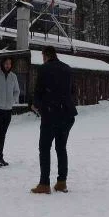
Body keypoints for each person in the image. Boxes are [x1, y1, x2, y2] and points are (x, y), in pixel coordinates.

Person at [31, 46, 77, 195]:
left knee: (44, 148)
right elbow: (73, 91)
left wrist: (35, 104)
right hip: (67, 114)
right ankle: (61, 182)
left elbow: (39, 91)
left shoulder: (44, 69)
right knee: (61, 148)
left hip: (51, 114)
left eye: (42, 56)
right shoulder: (68, 69)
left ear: (45, 55)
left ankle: (44, 184)